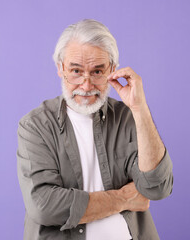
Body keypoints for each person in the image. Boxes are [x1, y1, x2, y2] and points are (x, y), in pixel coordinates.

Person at [17, 19, 173, 240]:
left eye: (98, 71)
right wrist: (125, 198)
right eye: (76, 71)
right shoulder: (36, 125)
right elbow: (44, 206)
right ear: (61, 68)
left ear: (112, 70)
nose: (86, 85)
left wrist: (140, 109)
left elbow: (157, 187)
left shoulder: (128, 117)